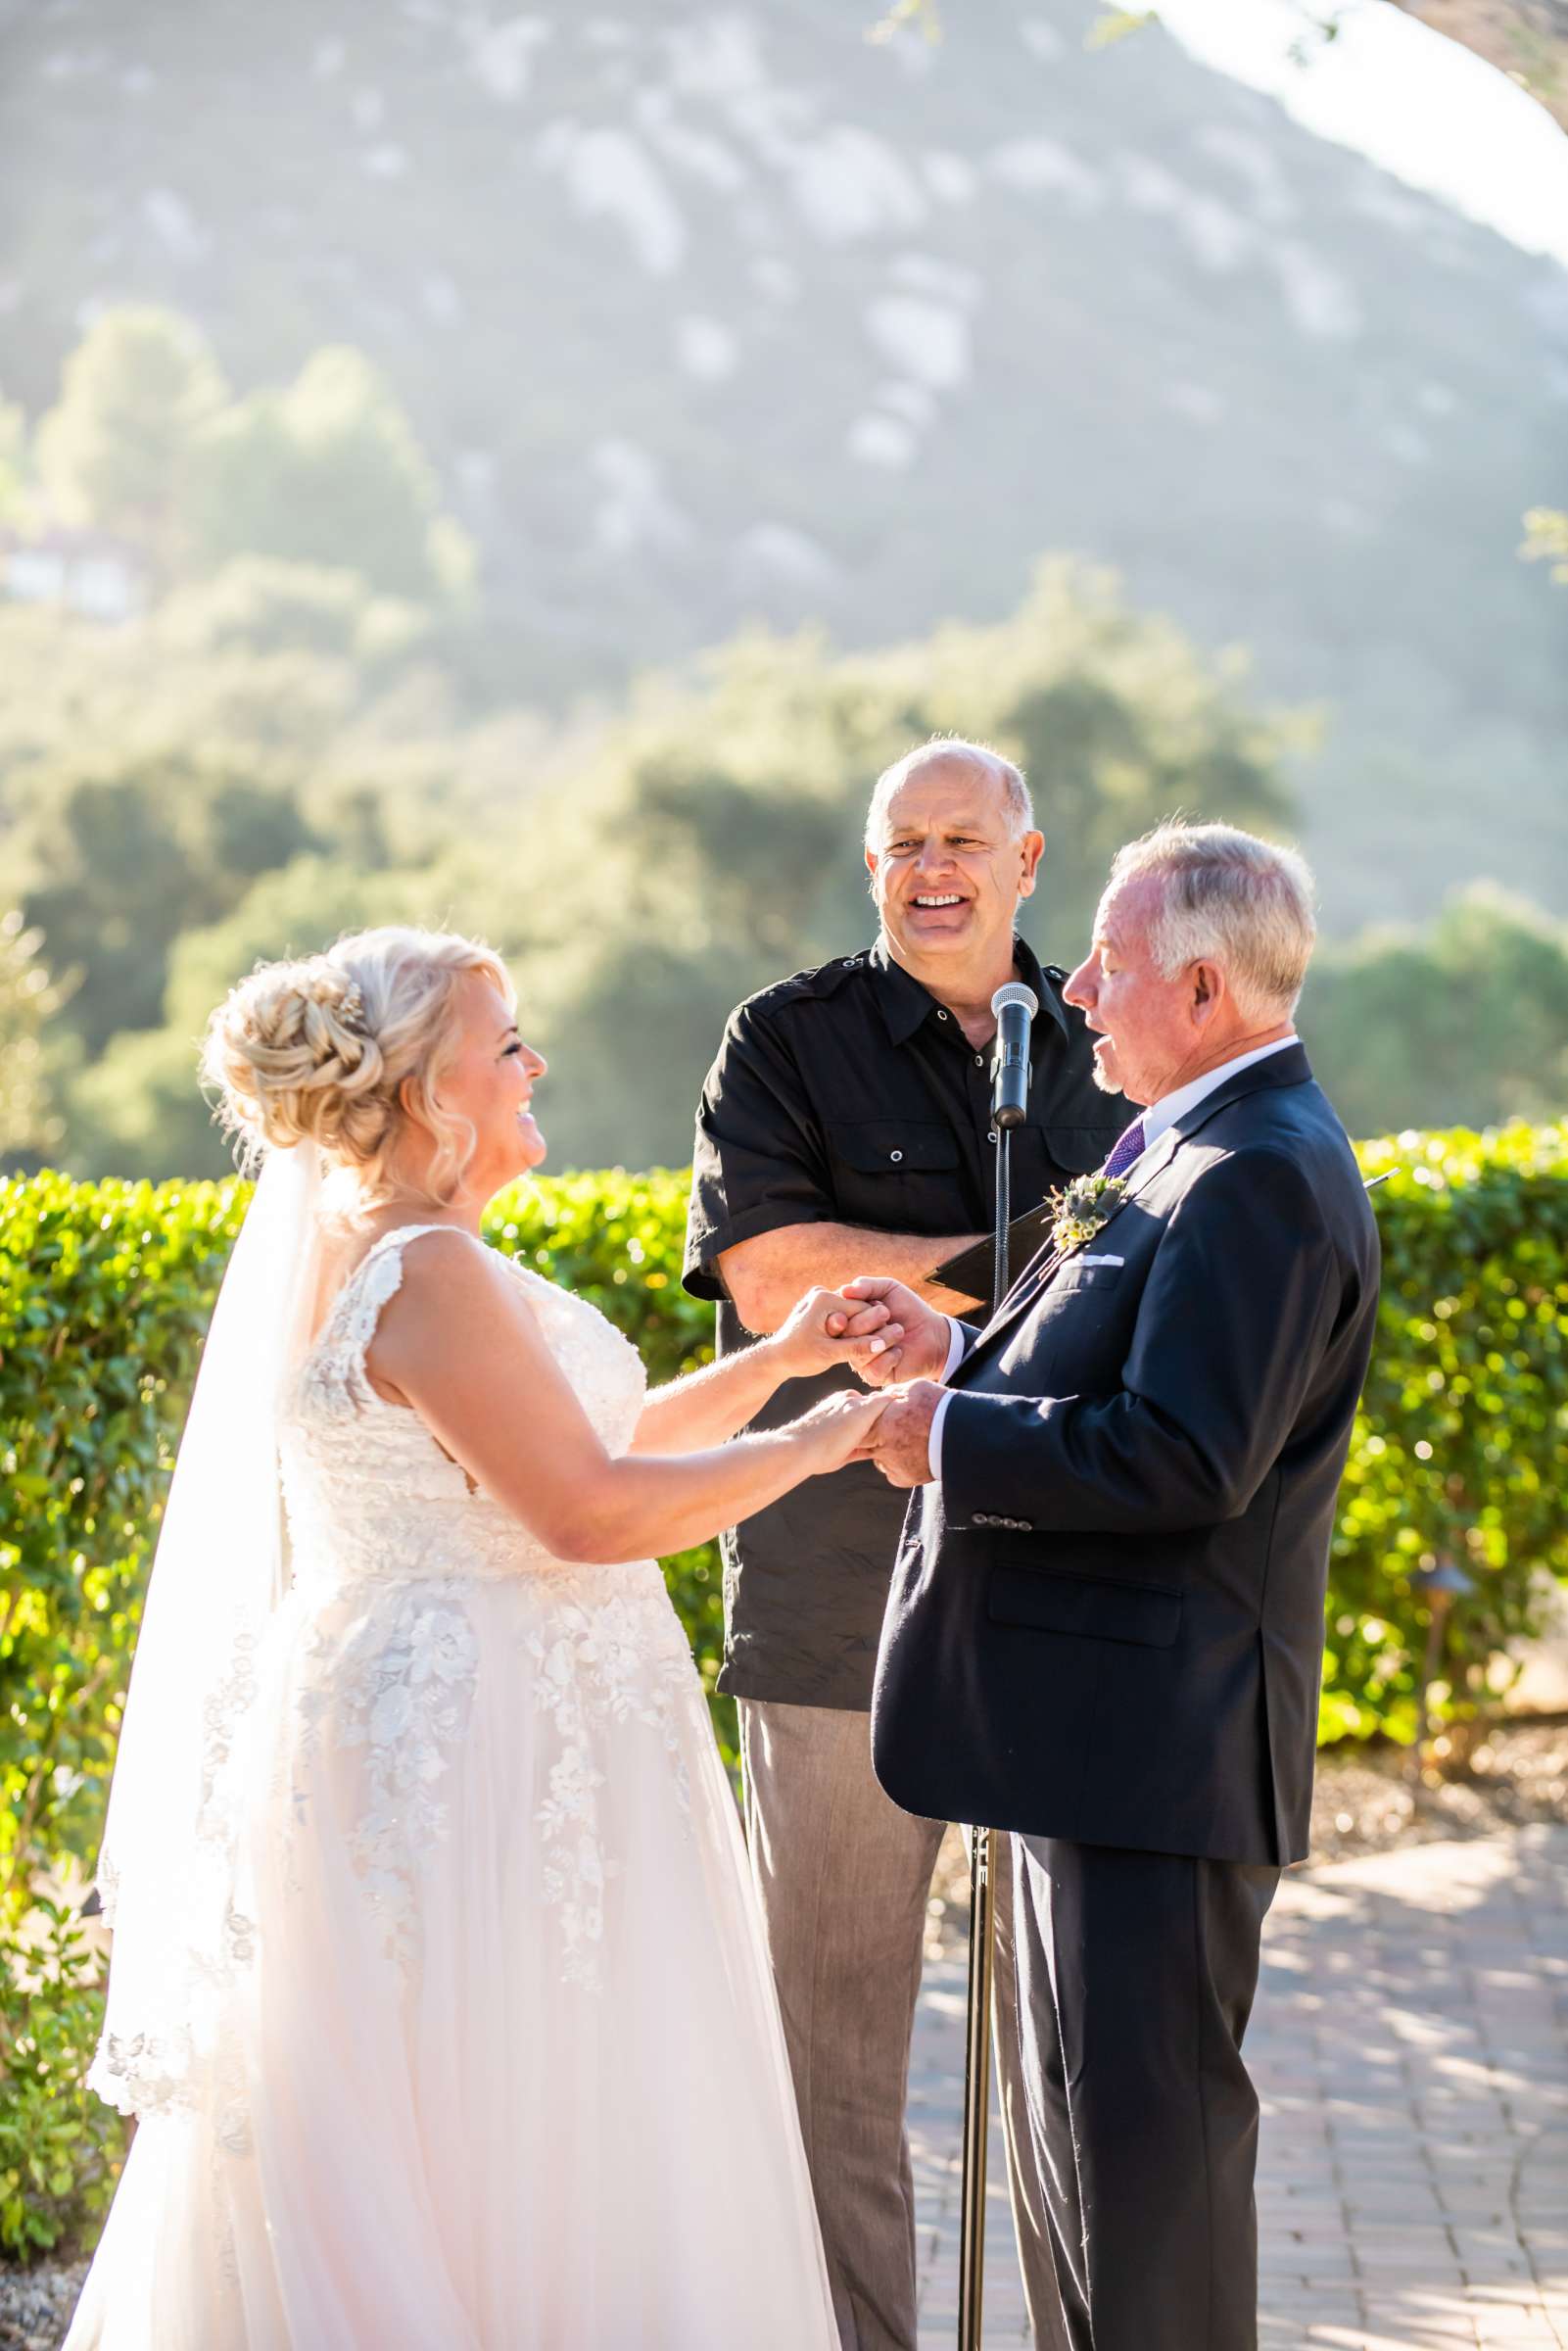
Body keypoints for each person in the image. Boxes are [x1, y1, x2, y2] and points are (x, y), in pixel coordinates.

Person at [66, 925, 900, 2351]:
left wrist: (778, 1364)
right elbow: (583, 1512)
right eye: (503, 1041)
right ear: (419, 1090)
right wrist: (831, 1441)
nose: (534, 1064)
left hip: (471, 1726)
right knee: (507, 2111)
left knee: (495, 2111)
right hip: (479, 1760)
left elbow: (578, 1448)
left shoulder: (394, 1248)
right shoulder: (427, 1266)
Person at [855, 822, 1381, 2351]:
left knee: (1151, 2199)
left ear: (1204, 987)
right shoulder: (1182, 1144)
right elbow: (1109, 1374)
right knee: (1072, 2178)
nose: (1073, 989)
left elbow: (1181, 1458)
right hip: (1083, 1743)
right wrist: (954, 1358)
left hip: (1159, 1756)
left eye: (1109, 961)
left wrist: (943, 1438)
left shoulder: (1262, 1174)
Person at [683, 740, 1125, 2349]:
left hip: (1071, 1601)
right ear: (871, 864)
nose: (931, 869)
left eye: (964, 840)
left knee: (1086, 2064)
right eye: (901, 843)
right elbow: (767, 1276)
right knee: (829, 2068)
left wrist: (926, 1279)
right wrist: (1042, 1264)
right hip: (830, 1615)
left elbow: (1183, 1262)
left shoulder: (1111, 1026)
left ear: (1027, 859)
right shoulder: (782, 1040)